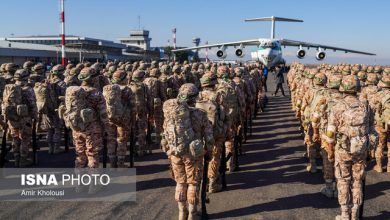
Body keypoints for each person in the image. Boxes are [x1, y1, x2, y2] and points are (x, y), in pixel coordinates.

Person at [162, 83, 213, 220]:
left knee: (180, 182)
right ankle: (192, 213)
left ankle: (181, 213)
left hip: (175, 152)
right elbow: (208, 137)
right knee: (193, 182)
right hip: (193, 154)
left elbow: (165, 132)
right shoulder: (200, 114)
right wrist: (209, 153)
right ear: (195, 97)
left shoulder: (171, 113)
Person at [325, 75, 369, 220]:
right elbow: (371, 129)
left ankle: (344, 214)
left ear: (343, 88)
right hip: (360, 151)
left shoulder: (338, 107)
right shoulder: (365, 105)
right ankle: (355, 214)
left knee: (344, 181)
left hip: (343, 151)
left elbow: (330, 135)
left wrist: (329, 148)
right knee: (357, 181)